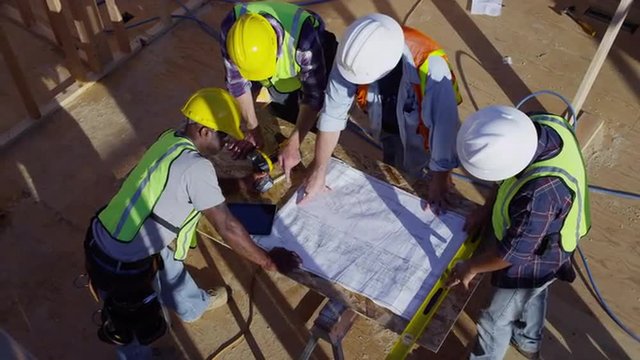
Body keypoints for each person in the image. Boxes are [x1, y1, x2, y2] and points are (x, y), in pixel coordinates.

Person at [84, 88, 276, 359]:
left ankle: (191, 306)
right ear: (204, 130)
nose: (225, 142)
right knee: (132, 323)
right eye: (223, 134)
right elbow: (228, 227)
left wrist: (243, 183)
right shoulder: (198, 168)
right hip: (122, 263)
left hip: (103, 234)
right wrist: (267, 261)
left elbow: (197, 187)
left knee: (168, 256)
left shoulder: (170, 139)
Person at [446, 106, 591, 360]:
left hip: (536, 257)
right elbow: (504, 177)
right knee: (533, 294)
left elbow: (514, 252)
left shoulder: (541, 192)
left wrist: (471, 267)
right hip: (545, 246)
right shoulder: (534, 129)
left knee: (494, 319)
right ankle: (528, 341)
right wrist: (486, 209)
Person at [300, 14, 462, 213]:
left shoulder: (432, 68)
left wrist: (440, 180)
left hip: (425, 136)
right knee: (398, 169)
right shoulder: (352, 54)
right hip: (387, 125)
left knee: (431, 184)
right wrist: (319, 169)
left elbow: (444, 130)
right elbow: (333, 113)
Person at [220, 1, 337, 181]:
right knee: (285, 112)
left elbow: (313, 96)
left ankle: (317, 165)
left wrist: (296, 142)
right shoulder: (232, 33)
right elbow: (237, 84)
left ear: (275, 48)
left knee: (318, 127)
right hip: (283, 78)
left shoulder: (304, 41)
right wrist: (253, 128)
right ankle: (291, 147)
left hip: (319, 53)